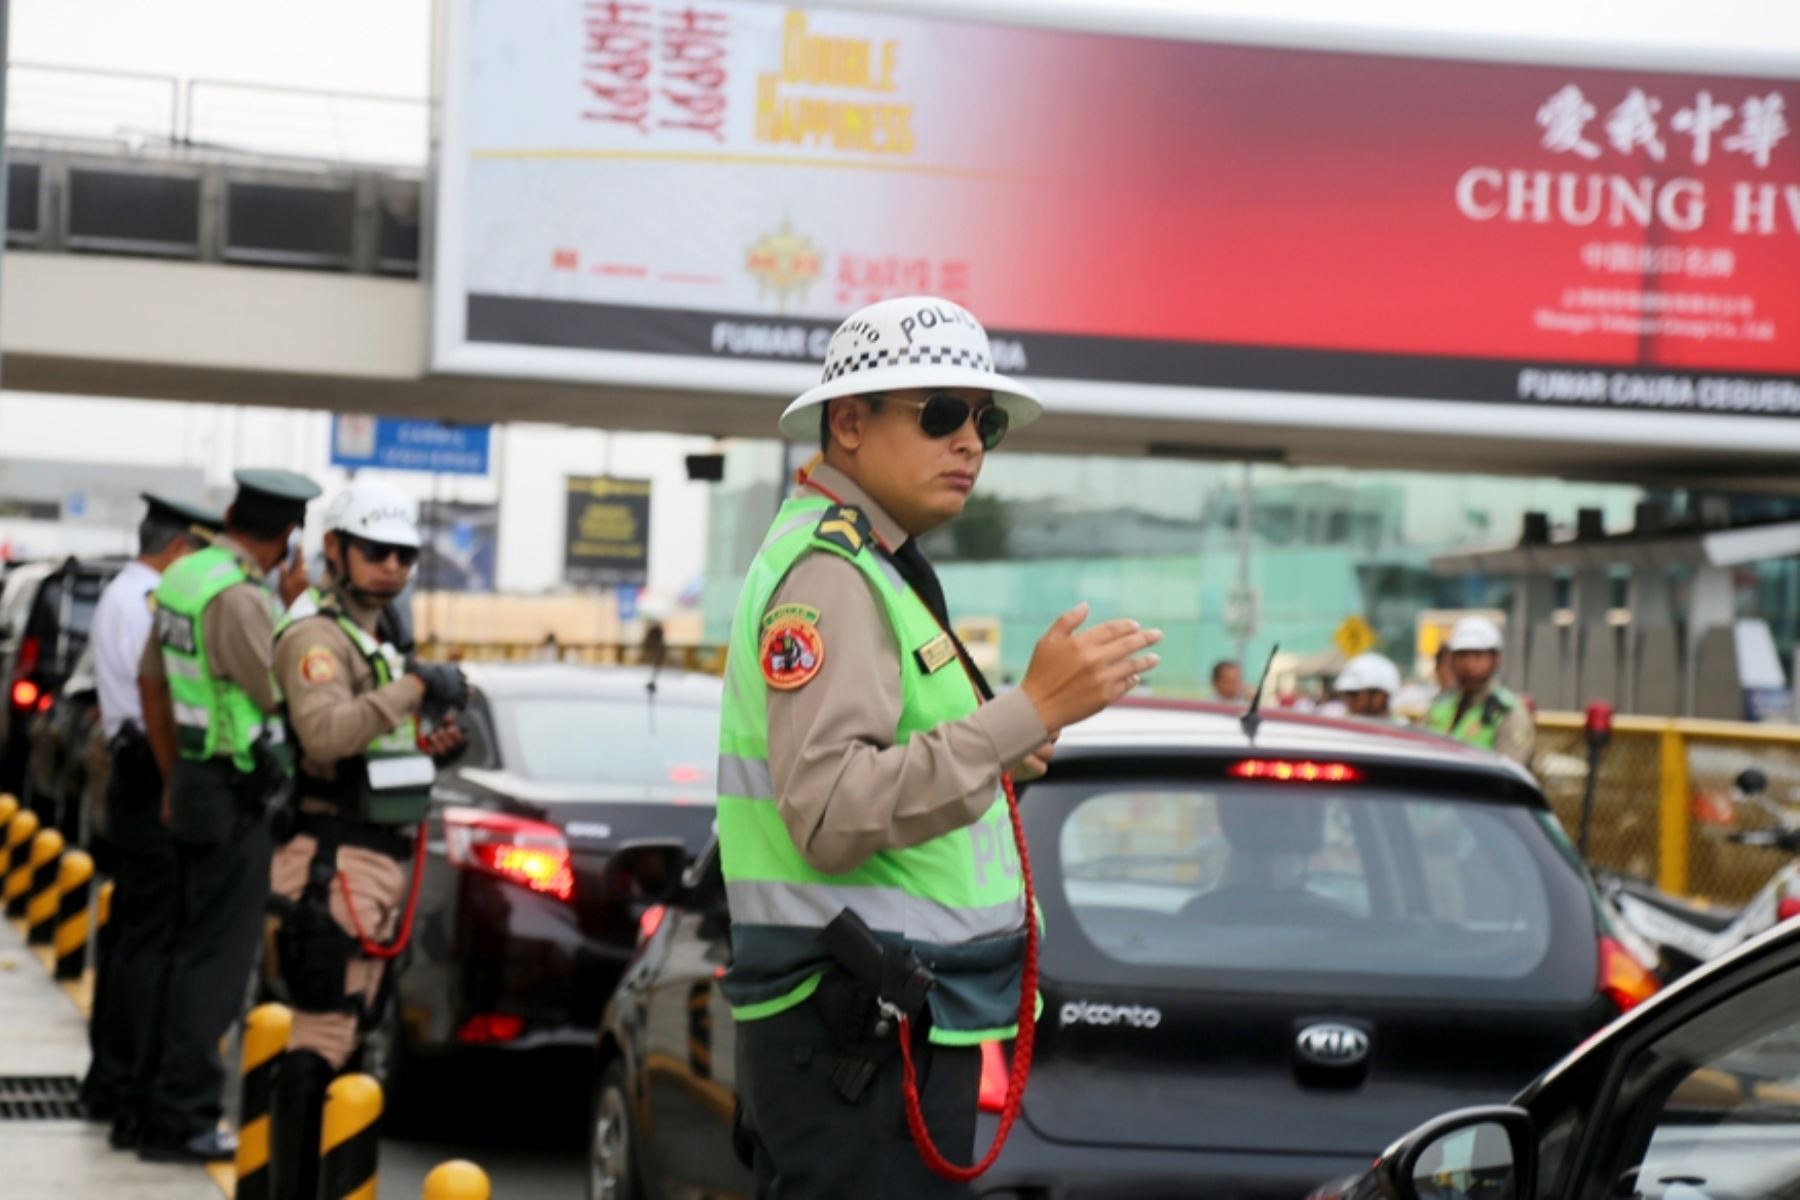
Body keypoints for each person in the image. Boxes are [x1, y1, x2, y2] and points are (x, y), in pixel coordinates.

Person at [718, 295, 1162, 1199]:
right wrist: (1025, 709)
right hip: (854, 1032)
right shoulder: (834, 571)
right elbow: (833, 809)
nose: (971, 443)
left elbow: (884, 770)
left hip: (878, 1026)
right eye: (941, 415)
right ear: (849, 422)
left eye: (984, 420)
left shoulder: (874, 565)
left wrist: (1013, 740)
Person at [264, 481, 468, 1200]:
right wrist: (412, 689)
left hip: (373, 856)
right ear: (335, 550)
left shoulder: (372, 637)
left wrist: (427, 749)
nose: (393, 567)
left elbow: (371, 741)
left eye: (405, 555)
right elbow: (323, 734)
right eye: (377, 551)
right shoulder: (316, 635)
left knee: (356, 1033)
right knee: (321, 1037)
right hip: (331, 859)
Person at [135, 468, 320, 1163]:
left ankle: (148, 1108)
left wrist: (171, 777)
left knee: (179, 952)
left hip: (191, 779)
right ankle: (184, 1117)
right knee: (216, 963)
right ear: (287, 538)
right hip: (235, 791)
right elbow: (286, 698)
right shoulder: (244, 601)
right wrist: (297, 612)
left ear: (234, 512)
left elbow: (149, 684)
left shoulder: (185, 576)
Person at [81, 494, 223, 1147]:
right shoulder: (146, 603)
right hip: (149, 773)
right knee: (151, 943)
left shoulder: (121, 594)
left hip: (131, 770)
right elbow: (158, 690)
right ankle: (127, 1085)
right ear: (178, 552)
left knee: (133, 941)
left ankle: (112, 1083)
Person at [1422, 616, 1534, 766]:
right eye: (1462, 655)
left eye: (1478, 656)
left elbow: (1509, 774)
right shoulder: (1440, 705)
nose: (1469, 664)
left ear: (1495, 659)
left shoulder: (1508, 712)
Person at [1335, 653, 1404, 722]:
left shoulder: (1400, 728)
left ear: (1381, 695)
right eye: (1346, 693)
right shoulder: (1340, 726)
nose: (1348, 699)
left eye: (1353, 693)